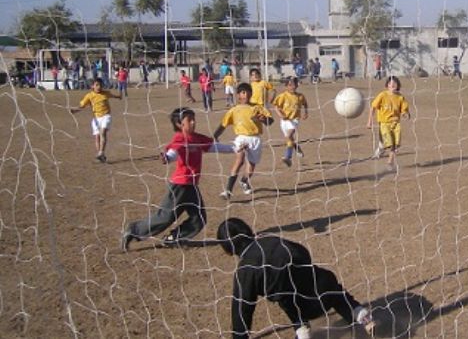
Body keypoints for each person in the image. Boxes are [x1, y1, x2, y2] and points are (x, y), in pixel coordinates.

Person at [216, 218, 374, 339]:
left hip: (301, 308)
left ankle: (302, 331)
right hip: (324, 289)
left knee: (287, 296)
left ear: (227, 249)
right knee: (334, 290)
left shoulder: (245, 270)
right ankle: (360, 314)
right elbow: (302, 252)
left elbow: (242, 310)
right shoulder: (270, 239)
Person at [121, 108, 236, 251]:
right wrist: (167, 158)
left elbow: (215, 147)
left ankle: (173, 238)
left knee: (199, 219)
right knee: (165, 217)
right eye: (189, 120)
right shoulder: (180, 138)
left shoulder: (198, 138)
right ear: (179, 124)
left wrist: (236, 148)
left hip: (192, 186)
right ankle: (134, 230)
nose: (193, 122)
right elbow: (173, 152)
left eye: (194, 119)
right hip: (179, 186)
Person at [214, 83, 274, 199]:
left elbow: (270, 122)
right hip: (241, 137)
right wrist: (215, 135)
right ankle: (228, 191)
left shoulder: (258, 107)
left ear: (251, 94)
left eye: (247, 92)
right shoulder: (234, 110)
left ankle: (244, 181)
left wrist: (263, 119)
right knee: (240, 159)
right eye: (242, 92)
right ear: (237, 95)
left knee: (251, 166)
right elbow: (223, 125)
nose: (245, 95)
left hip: (255, 138)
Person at [70, 78, 122, 163]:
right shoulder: (89, 96)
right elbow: (82, 106)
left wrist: (119, 97)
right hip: (96, 119)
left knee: (103, 132)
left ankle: (101, 152)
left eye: (100, 85)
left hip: (106, 116)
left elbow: (113, 96)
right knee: (97, 137)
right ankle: (100, 155)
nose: (99, 87)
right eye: (97, 85)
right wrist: (75, 110)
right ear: (92, 86)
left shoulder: (106, 93)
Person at [367, 76, 411, 171]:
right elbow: (373, 107)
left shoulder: (400, 97)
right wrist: (369, 121)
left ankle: (390, 162)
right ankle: (381, 148)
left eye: (395, 83)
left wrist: (405, 114)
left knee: (396, 145)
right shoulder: (382, 95)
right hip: (384, 123)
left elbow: (404, 110)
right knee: (390, 144)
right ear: (387, 85)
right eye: (390, 83)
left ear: (398, 85)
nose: (392, 84)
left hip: (396, 123)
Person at [272, 76, 308, 168]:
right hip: (284, 121)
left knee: (289, 136)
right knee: (290, 140)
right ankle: (297, 148)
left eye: (294, 85)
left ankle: (288, 157)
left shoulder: (300, 96)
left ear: (297, 85)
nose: (292, 87)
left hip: (294, 120)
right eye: (290, 85)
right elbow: (276, 106)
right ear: (286, 86)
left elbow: (305, 104)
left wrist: (306, 112)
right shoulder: (283, 96)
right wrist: (280, 115)